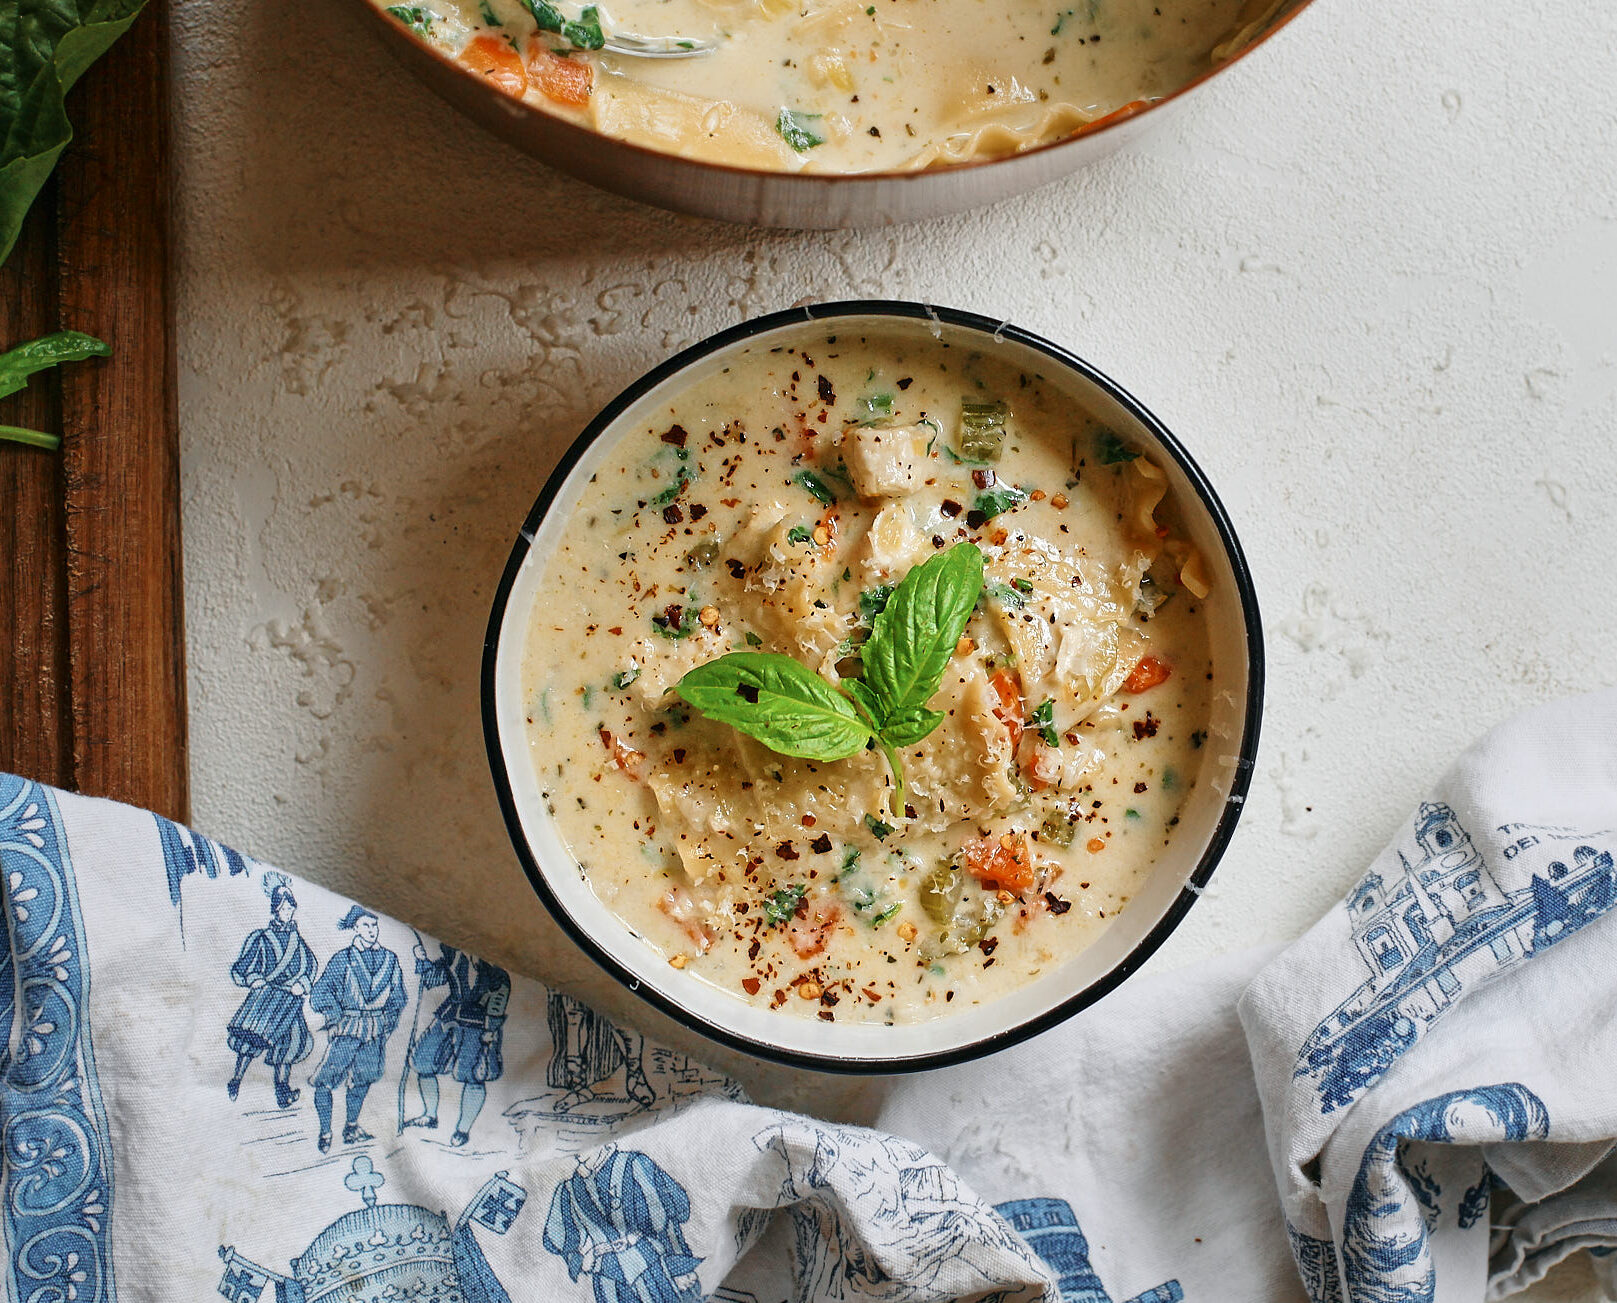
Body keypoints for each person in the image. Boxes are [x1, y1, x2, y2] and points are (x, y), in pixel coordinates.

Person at [542, 1144, 703, 1303]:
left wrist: (680, 1266)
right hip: (605, 1276)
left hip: (648, 1264)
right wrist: (583, 1258)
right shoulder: (568, 1190)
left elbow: (669, 1215)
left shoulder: (634, 1165)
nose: (578, 1155)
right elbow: (556, 1237)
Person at [307, 905, 406, 1152]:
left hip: (375, 1030)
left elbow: (399, 997)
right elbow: (320, 992)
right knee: (325, 1080)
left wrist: (388, 1023)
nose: (371, 931)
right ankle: (325, 1131)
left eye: (374, 925)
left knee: (363, 1080)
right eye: (365, 926)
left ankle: (351, 1127)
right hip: (348, 1028)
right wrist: (334, 1013)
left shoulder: (391, 959)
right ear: (355, 928)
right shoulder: (343, 958)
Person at [403, 942, 510, 1146]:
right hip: (448, 1014)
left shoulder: (494, 970)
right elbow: (434, 978)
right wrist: (422, 960)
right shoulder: (453, 956)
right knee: (422, 1059)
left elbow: (500, 994)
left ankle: (463, 1130)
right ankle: (430, 1115)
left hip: (477, 1022)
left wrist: (490, 1029)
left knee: (473, 1074)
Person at [226, 876, 318, 1109]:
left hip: (289, 1001)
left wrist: (304, 983)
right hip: (266, 998)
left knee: (289, 1044)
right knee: (250, 1040)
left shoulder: (297, 940)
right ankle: (236, 1080)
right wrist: (253, 979)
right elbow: (241, 966)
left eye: (290, 908)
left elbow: (311, 965)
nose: (287, 912)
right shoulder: (262, 937)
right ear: (275, 910)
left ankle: (282, 1090)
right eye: (283, 908)